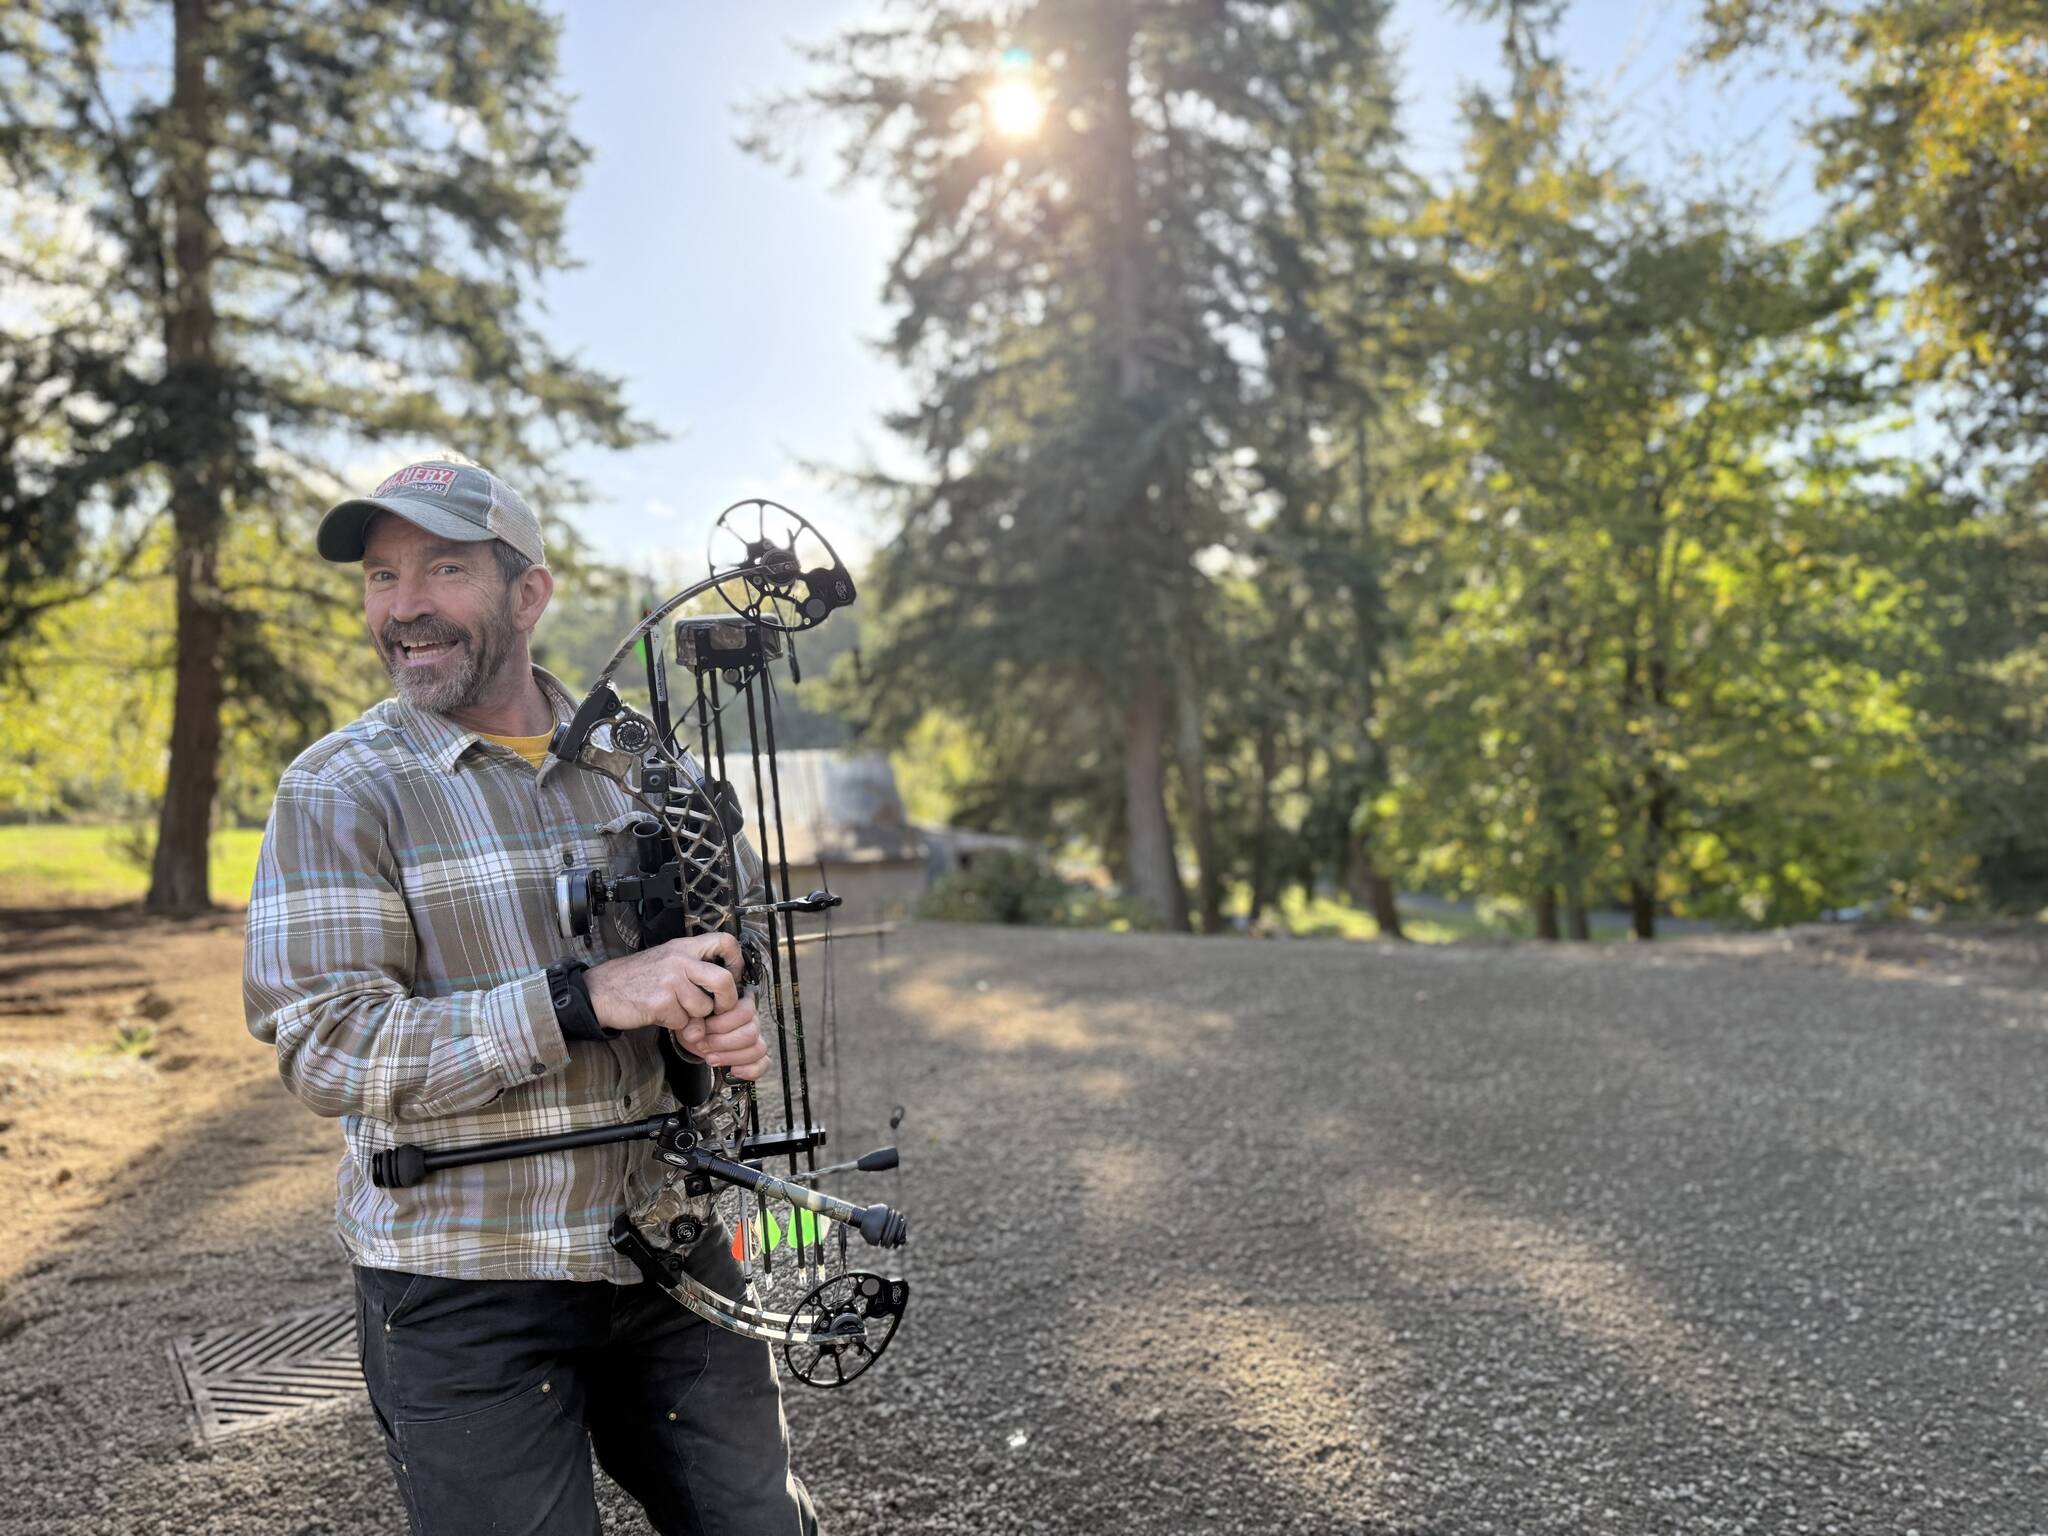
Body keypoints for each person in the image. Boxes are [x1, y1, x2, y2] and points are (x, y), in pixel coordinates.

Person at [244, 459, 819, 1536]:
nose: (403, 607)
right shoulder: (339, 788)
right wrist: (581, 998)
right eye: (380, 577)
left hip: (673, 1237)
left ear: (528, 593)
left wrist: (716, 986)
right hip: (461, 1275)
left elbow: (736, 920)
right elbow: (325, 1045)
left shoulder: (639, 757)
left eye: (443, 569)